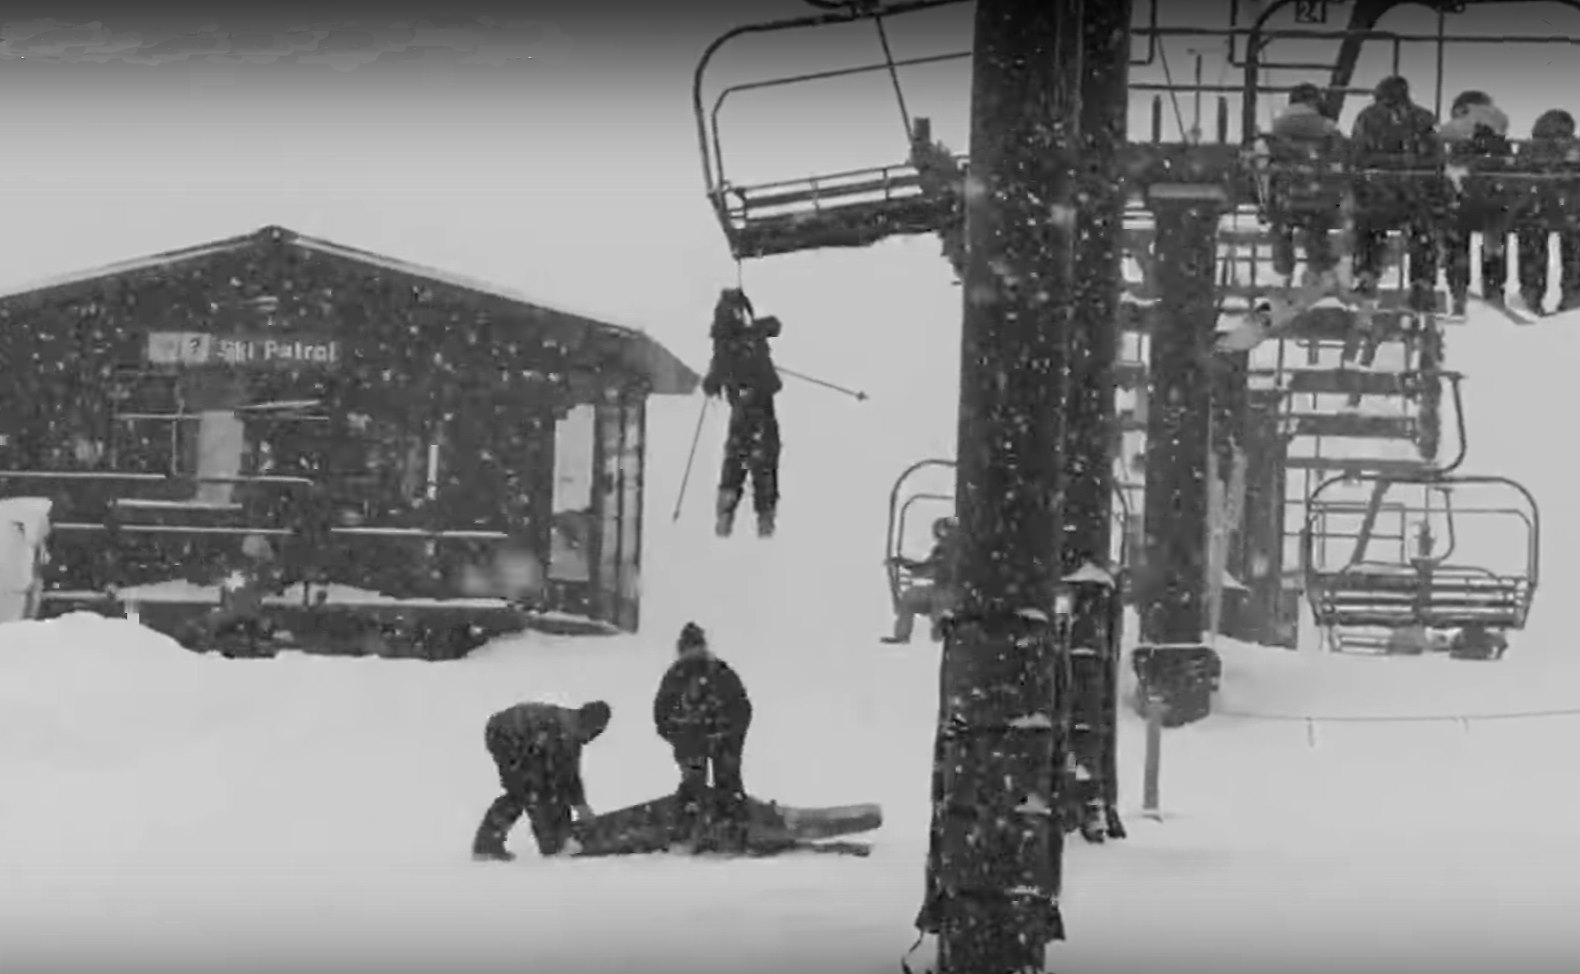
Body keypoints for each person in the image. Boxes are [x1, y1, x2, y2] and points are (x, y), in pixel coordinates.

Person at [652, 622, 754, 852]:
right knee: (726, 783)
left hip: (696, 740)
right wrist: (730, 735)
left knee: (694, 785)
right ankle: (731, 831)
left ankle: (689, 831)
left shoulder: (676, 675)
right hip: (718, 738)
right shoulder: (719, 671)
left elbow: (661, 714)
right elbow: (742, 708)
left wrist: (678, 736)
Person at [471, 699, 612, 862]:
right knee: (525, 791)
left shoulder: (571, 735)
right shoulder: (556, 729)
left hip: (521, 738)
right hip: (504, 735)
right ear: (587, 723)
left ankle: (556, 840)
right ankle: (487, 846)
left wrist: (581, 805)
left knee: (543, 788)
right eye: (593, 731)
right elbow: (540, 778)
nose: (590, 737)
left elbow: (569, 776)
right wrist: (549, 840)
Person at [1349, 75, 1442, 313]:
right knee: (1424, 233)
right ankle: (1422, 282)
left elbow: (1356, 158)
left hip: (1377, 197)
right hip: (1414, 197)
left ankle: (1367, 274)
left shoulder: (1368, 118)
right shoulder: (1423, 118)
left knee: (1367, 229)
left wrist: (1361, 189)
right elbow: (1437, 160)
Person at [702, 288, 782, 539]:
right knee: (762, 459)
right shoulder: (747, 338)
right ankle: (764, 517)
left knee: (739, 458)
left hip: (743, 408)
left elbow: (714, 378)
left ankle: (727, 515)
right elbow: (773, 326)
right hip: (758, 406)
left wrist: (715, 380)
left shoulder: (725, 345)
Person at [1264, 83, 1348, 290]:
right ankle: (1319, 269)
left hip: (1286, 197)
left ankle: (1283, 265)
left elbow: (1266, 162)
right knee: (1317, 228)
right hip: (1320, 197)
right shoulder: (1328, 128)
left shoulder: (1277, 128)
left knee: (1282, 225)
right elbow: (1341, 157)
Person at [1438, 90, 1514, 317]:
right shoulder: (1499, 122)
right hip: (1494, 196)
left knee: (1457, 239)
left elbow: (1442, 141)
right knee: (1494, 238)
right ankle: (1494, 288)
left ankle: (1458, 289)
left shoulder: (1458, 123)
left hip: (1463, 192)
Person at [1515, 109, 1580, 314]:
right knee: (1575, 256)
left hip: (1535, 207)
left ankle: (1531, 298)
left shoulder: (1529, 147)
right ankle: (1573, 299)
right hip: (1572, 208)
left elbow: (1517, 175)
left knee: (1532, 256)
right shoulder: (1576, 146)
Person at [881, 515, 960, 645]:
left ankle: (943, 626)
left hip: (954, 590)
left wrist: (910, 566)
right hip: (939, 588)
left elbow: (929, 570)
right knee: (910, 597)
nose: (942, 537)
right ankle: (902, 635)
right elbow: (925, 569)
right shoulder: (940, 551)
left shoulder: (959, 550)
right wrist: (905, 563)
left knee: (942, 602)